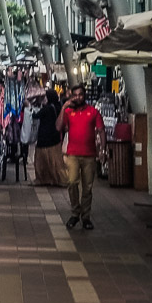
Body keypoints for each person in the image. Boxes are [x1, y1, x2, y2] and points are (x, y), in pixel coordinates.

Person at [56, 84, 105, 230]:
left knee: (87, 187)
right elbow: (58, 127)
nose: (78, 97)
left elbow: (101, 131)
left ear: (84, 96)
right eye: (75, 95)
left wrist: (102, 149)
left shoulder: (93, 112)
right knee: (71, 182)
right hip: (72, 154)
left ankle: (85, 217)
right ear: (71, 97)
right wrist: (64, 107)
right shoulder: (68, 112)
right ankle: (75, 212)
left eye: (80, 95)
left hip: (89, 155)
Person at [33, 89, 67, 187]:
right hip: (55, 137)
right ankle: (57, 178)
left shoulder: (47, 108)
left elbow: (35, 116)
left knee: (42, 160)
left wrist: (29, 107)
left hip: (45, 138)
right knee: (55, 161)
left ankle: (44, 178)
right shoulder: (58, 106)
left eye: (45, 97)